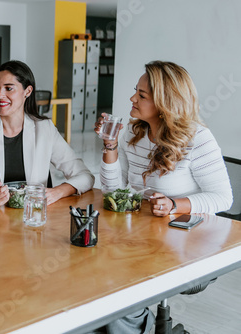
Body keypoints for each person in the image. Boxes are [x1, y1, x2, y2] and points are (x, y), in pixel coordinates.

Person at [95, 60, 232, 217]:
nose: (133, 98)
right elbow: (113, 192)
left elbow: (223, 198)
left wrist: (173, 205)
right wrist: (110, 145)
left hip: (189, 232)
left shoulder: (198, 138)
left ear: (164, 103)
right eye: (136, 91)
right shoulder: (133, 133)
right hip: (148, 227)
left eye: (141, 95)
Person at [0, 60, 94, 207]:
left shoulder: (44, 128)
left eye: (9, 88)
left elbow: (85, 176)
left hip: (34, 219)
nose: (0, 95)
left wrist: (57, 191)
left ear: (27, 91)